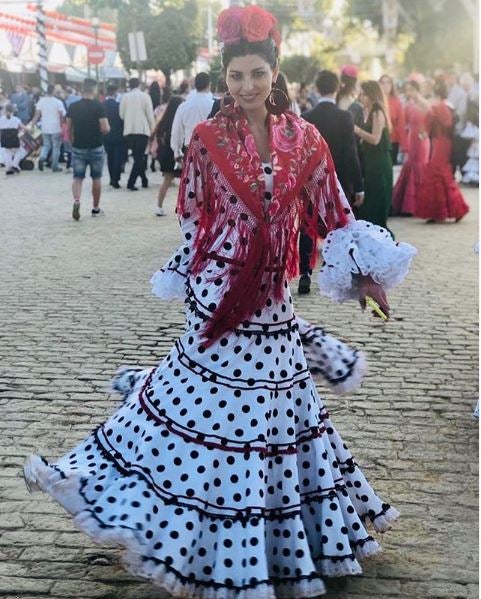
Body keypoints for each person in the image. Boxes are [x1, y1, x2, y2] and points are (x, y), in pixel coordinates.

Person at [24, 6, 417, 597]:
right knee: (200, 409)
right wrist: (188, 277)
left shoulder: (305, 137)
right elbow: (193, 216)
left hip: (273, 297)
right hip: (218, 291)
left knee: (278, 416)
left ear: (274, 71)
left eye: (257, 73)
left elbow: (334, 212)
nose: (247, 85)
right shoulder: (208, 137)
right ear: (224, 79)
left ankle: (271, 537)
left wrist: (364, 276)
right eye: (236, 76)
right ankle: (168, 517)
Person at [300, 69, 364, 293]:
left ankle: (305, 273)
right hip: (338, 178)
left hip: (311, 180)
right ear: (337, 88)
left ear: (317, 88)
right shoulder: (345, 117)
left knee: (307, 225)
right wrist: (358, 185)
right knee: (336, 224)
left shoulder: (306, 117)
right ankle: (333, 269)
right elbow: (350, 152)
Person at [414, 79, 469, 223]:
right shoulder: (436, 105)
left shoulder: (442, 106)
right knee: (438, 174)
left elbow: (447, 123)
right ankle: (440, 211)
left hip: (442, 142)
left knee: (438, 173)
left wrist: (434, 111)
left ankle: (448, 211)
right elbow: (426, 126)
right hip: (437, 141)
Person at [66, 78, 110, 220]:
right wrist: (106, 130)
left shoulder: (73, 106)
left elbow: (68, 128)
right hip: (96, 145)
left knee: (77, 177)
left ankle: (77, 200)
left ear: (82, 89)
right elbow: (104, 127)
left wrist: (72, 141)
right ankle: (95, 208)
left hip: (78, 145)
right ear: (94, 90)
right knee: (96, 178)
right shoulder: (98, 106)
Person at [354, 81, 394, 234]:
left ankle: (380, 234)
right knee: (370, 198)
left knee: (376, 198)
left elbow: (375, 139)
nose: (361, 97)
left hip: (379, 161)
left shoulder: (377, 112)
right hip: (370, 160)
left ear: (371, 95)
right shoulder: (367, 111)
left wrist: (357, 130)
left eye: (363, 94)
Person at [391, 79, 431, 216]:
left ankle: (421, 205)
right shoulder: (408, 105)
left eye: (411, 90)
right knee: (410, 166)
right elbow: (403, 123)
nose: (408, 92)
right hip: (411, 138)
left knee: (420, 166)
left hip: (422, 141)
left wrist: (425, 133)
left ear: (416, 89)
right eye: (407, 90)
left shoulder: (425, 104)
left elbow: (431, 122)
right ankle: (406, 206)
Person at [119, 77, 155, 191]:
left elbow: (121, 115)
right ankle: (131, 182)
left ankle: (144, 180)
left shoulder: (124, 97)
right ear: (139, 84)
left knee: (136, 156)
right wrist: (153, 129)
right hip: (142, 130)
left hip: (129, 130)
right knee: (139, 158)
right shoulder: (145, 96)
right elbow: (150, 115)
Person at [170, 72, 214, 166]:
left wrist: (176, 152)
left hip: (191, 149)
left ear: (195, 85)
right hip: (212, 151)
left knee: (192, 179)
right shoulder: (214, 104)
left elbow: (177, 131)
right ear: (209, 84)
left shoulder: (184, 106)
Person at [152, 95, 184, 216]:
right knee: (184, 183)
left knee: (166, 181)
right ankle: (182, 208)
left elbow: (158, 137)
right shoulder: (180, 119)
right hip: (178, 154)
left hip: (166, 154)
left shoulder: (164, 121)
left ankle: (159, 206)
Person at [30, 84, 66, 172]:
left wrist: (32, 125)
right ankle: (54, 166)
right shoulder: (58, 102)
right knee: (56, 147)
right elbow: (62, 115)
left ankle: (42, 157)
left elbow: (36, 115)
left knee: (46, 145)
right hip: (56, 127)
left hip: (45, 126)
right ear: (53, 91)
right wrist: (62, 125)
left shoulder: (41, 101)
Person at [379, 74, 405, 165]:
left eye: (388, 82)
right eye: (383, 82)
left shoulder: (397, 102)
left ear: (392, 85)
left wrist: (404, 146)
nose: (385, 85)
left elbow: (401, 125)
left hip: (393, 141)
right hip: (378, 141)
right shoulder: (376, 101)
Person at [103, 84, 124, 189]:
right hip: (118, 135)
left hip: (106, 136)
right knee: (117, 158)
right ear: (115, 92)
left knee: (110, 158)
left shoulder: (102, 105)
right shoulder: (118, 105)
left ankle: (112, 178)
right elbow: (122, 120)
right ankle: (116, 179)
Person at [0, 104, 26, 174]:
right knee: (20, 151)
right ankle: (15, 165)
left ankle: (8, 168)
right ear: (13, 111)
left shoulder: (1, 119)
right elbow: (23, 127)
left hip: (4, 139)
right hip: (14, 138)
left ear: (5, 111)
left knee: (7, 153)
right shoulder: (16, 119)